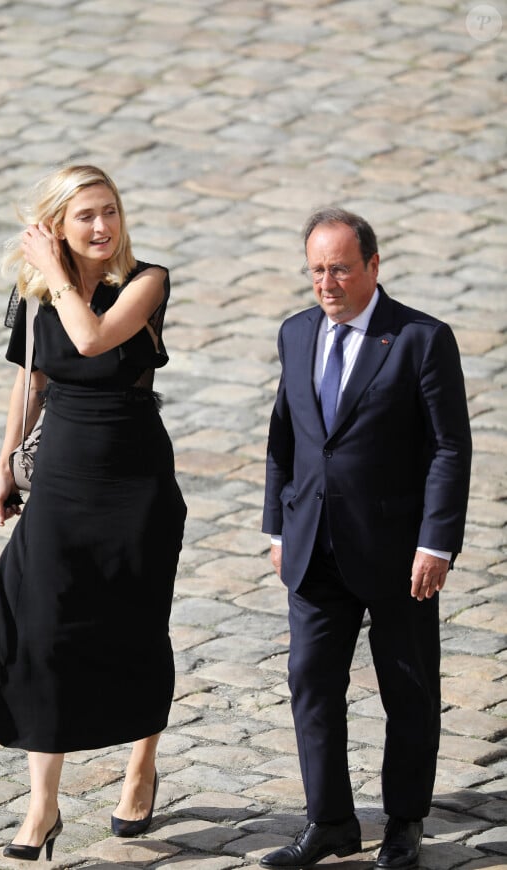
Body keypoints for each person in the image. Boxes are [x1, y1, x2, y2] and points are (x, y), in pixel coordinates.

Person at [0, 164, 187, 861]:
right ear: (58, 225)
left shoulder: (147, 283)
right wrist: (4, 463)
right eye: (86, 217)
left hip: (135, 488)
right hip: (62, 484)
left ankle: (140, 768)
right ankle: (41, 808)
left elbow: (94, 338)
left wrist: (58, 273)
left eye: (111, 212)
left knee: (135, 628)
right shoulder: (37, 296)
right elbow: (31, 379)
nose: (103, 227)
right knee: (42, 634)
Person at [260, 208, 471, 870]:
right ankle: (329, 821)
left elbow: (449, 449)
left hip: (397, 552)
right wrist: (276, 523)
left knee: (407, 685)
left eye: (340, 269)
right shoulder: (296, 334)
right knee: (310, 681)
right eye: (317, 270)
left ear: (373, 267)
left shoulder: (419, 339)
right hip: (313, 545)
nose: (327, 283)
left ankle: (404, 823)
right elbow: (284, 436)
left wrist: (436, 544)